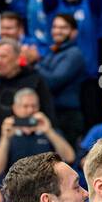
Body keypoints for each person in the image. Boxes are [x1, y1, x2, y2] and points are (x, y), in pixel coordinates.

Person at [40, 0, 102, 123]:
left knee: (90, 121)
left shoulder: (90, 7)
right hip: (60, 76)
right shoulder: (54, 7)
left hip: (88, 79)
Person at [0, 38, 56, 147]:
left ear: (17, 58)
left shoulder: (35, 80)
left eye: (3, 56)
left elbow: (49, 114)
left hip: (32, 145)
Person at [35, 13, 87, 146]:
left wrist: (35, 63)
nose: (58, 31)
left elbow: (53, 81)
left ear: (74, 32)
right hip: (53, 113)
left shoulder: (74, 54)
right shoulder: (52, 53)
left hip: (68, 117)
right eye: (55, 27)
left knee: (66, 160)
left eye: (63, 27)